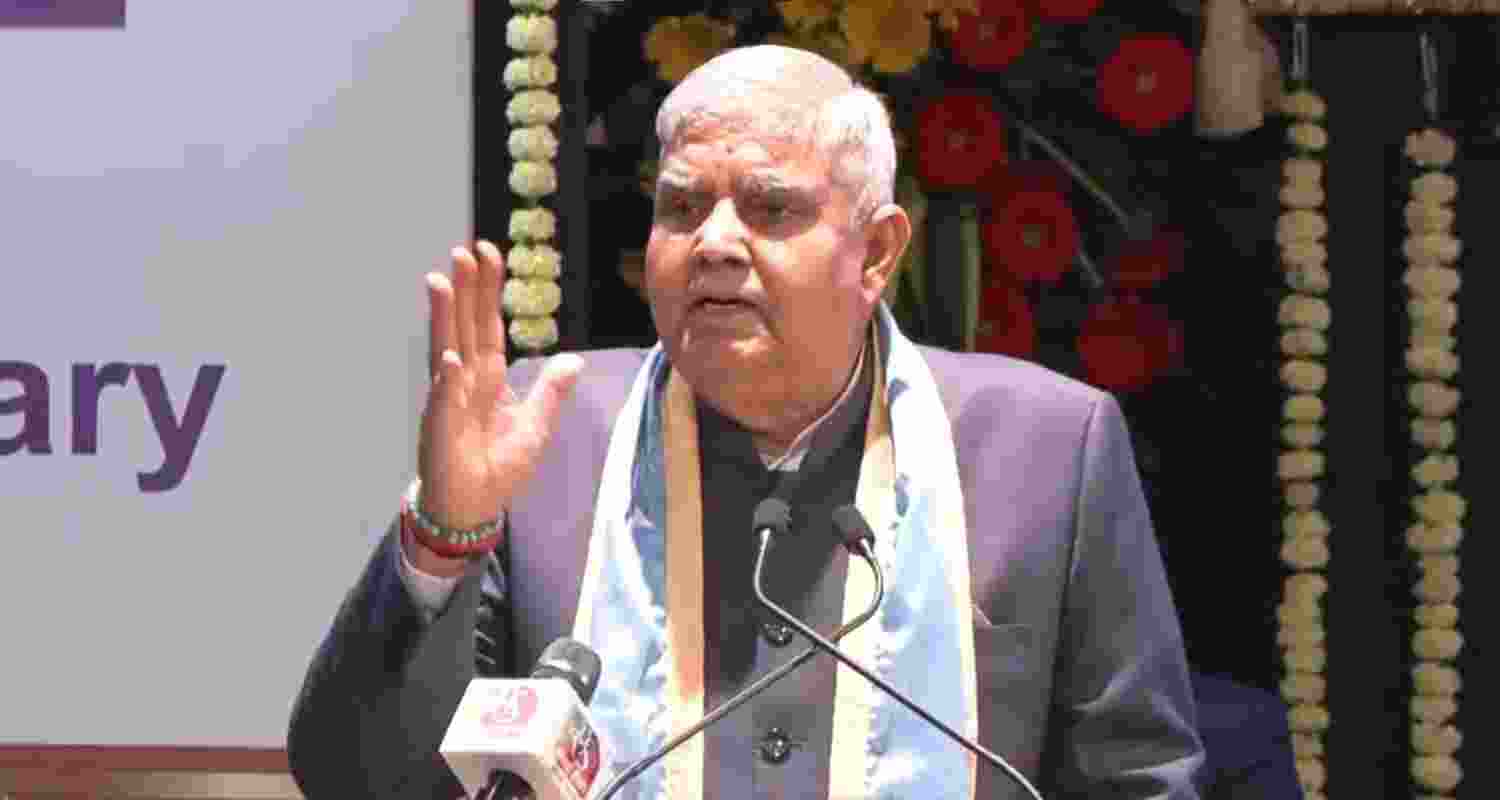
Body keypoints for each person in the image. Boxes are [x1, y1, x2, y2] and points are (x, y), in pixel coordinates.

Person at [287, 45, 1204, 799]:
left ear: (877, 251)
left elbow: (1141, 782)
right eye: (680, 208)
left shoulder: (1045, 450)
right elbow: (355, 781)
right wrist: (445, 538)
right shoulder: (551, 438)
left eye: (771, 209)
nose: (714, 243)